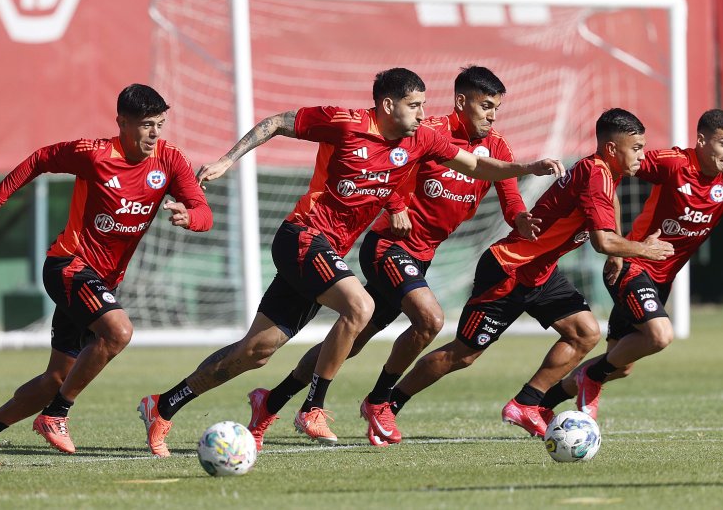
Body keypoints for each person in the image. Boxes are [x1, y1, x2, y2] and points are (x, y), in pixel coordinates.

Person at [138, 67, 563, 457]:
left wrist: (527, 167)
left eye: (424, 105)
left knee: (257, 351)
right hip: (302, 236)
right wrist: (228, 159)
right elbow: (277, 123)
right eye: (415, 105)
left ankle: (163, 405)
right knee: (361, 306)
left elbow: (476, 164)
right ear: (388, 105)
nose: (422, 114)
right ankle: (314, 407)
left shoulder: (421, 139)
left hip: (331, 251)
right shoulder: (345, 123)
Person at [244, 66, 539, 449]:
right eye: (486, 106)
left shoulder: (496, 147)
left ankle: (270, 402)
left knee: (355, 338)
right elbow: (386, 164)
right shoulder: (426, 130)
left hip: (422, 255)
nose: (492, 116)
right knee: (430, 318)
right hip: (389, 247)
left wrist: (521, 220)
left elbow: (509, 195)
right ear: (461, 102)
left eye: (497, 108)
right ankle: (381, 400)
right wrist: (397, 203)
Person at [0, 84, 213, 466]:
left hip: (101, 282)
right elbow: (39, 159)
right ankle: (56, 415)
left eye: (160, 124)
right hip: (68, 265)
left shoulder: (170, 161)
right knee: (119, 331)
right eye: (146, 125)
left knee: (56, 379)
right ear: (122, 124)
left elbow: (204, 212)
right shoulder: (94, 155)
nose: (155, 133)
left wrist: (189, 216)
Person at [386, 108, 674, 440]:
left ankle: (527, 403)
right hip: (510, 269)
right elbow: (601, 241)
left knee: (584, 332)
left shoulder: (606, 172)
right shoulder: (597, 176)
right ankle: (389, 404)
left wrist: (621, 252)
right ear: (612, 148)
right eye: (636, 148)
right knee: (462, 354)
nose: (641, 154)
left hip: (540, 272)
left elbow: (611, 211)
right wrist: (641, 250)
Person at [537, 108, 723, 420]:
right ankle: (591, 378)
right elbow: (611, 171)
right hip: (633, 266)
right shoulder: (673, 163)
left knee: (620, 365)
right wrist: (616, 243)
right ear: (702, 140)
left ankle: (540, 404)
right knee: (660, 335)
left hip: (661, 280)